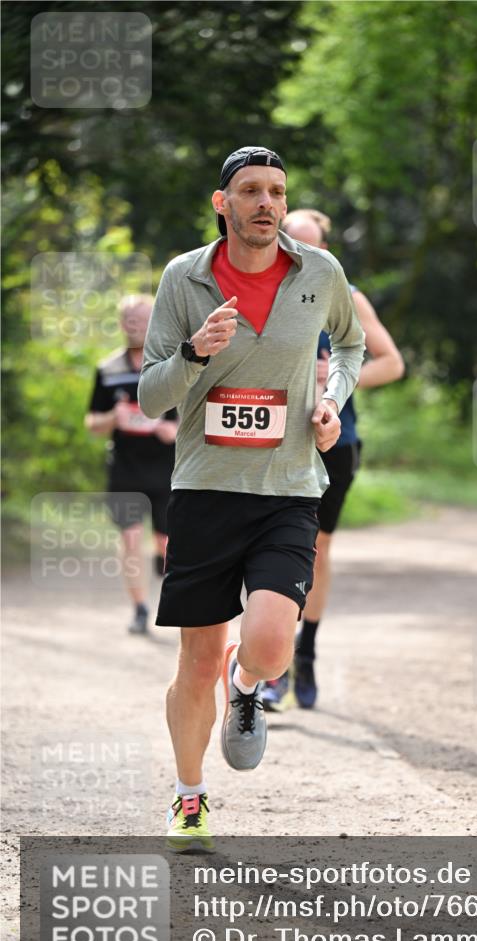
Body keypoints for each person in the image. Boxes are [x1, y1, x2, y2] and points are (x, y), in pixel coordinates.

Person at [138, 146, 365, 851]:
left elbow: (351, 348)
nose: (265, 202)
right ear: (222, 202)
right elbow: (151, 396)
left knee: (268, 649)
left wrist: (330, 401)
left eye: (275, 190)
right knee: (194, 662)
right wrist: (194, 354)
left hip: (289, 488)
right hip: (206, 488)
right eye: (250, 191)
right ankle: (188, 797)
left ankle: (249, 686)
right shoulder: (184, 278)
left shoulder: (320, 272)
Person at [261, 209, 404, 712]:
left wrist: (335, 379)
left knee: (314, 551)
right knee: (263, 548)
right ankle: (268, 662)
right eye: (293, 244)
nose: (303, 255)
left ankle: (306, 655)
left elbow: (391, 362)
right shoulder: (259, 289)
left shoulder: (347, 295)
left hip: (333, 442)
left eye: (314, 247)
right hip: (269, 440)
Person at [85, 294, 178, 635]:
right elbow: (92, 422)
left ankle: (161, 558)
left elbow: (194, 419)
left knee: (165, 544)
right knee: (129, 538)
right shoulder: (107, 369)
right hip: (125, 467)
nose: (133, 326)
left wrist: (174, 429)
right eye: (128, 319)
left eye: (140, 319)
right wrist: (112, 417)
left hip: (166, 468)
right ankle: (140, 608)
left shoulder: (172, 365)